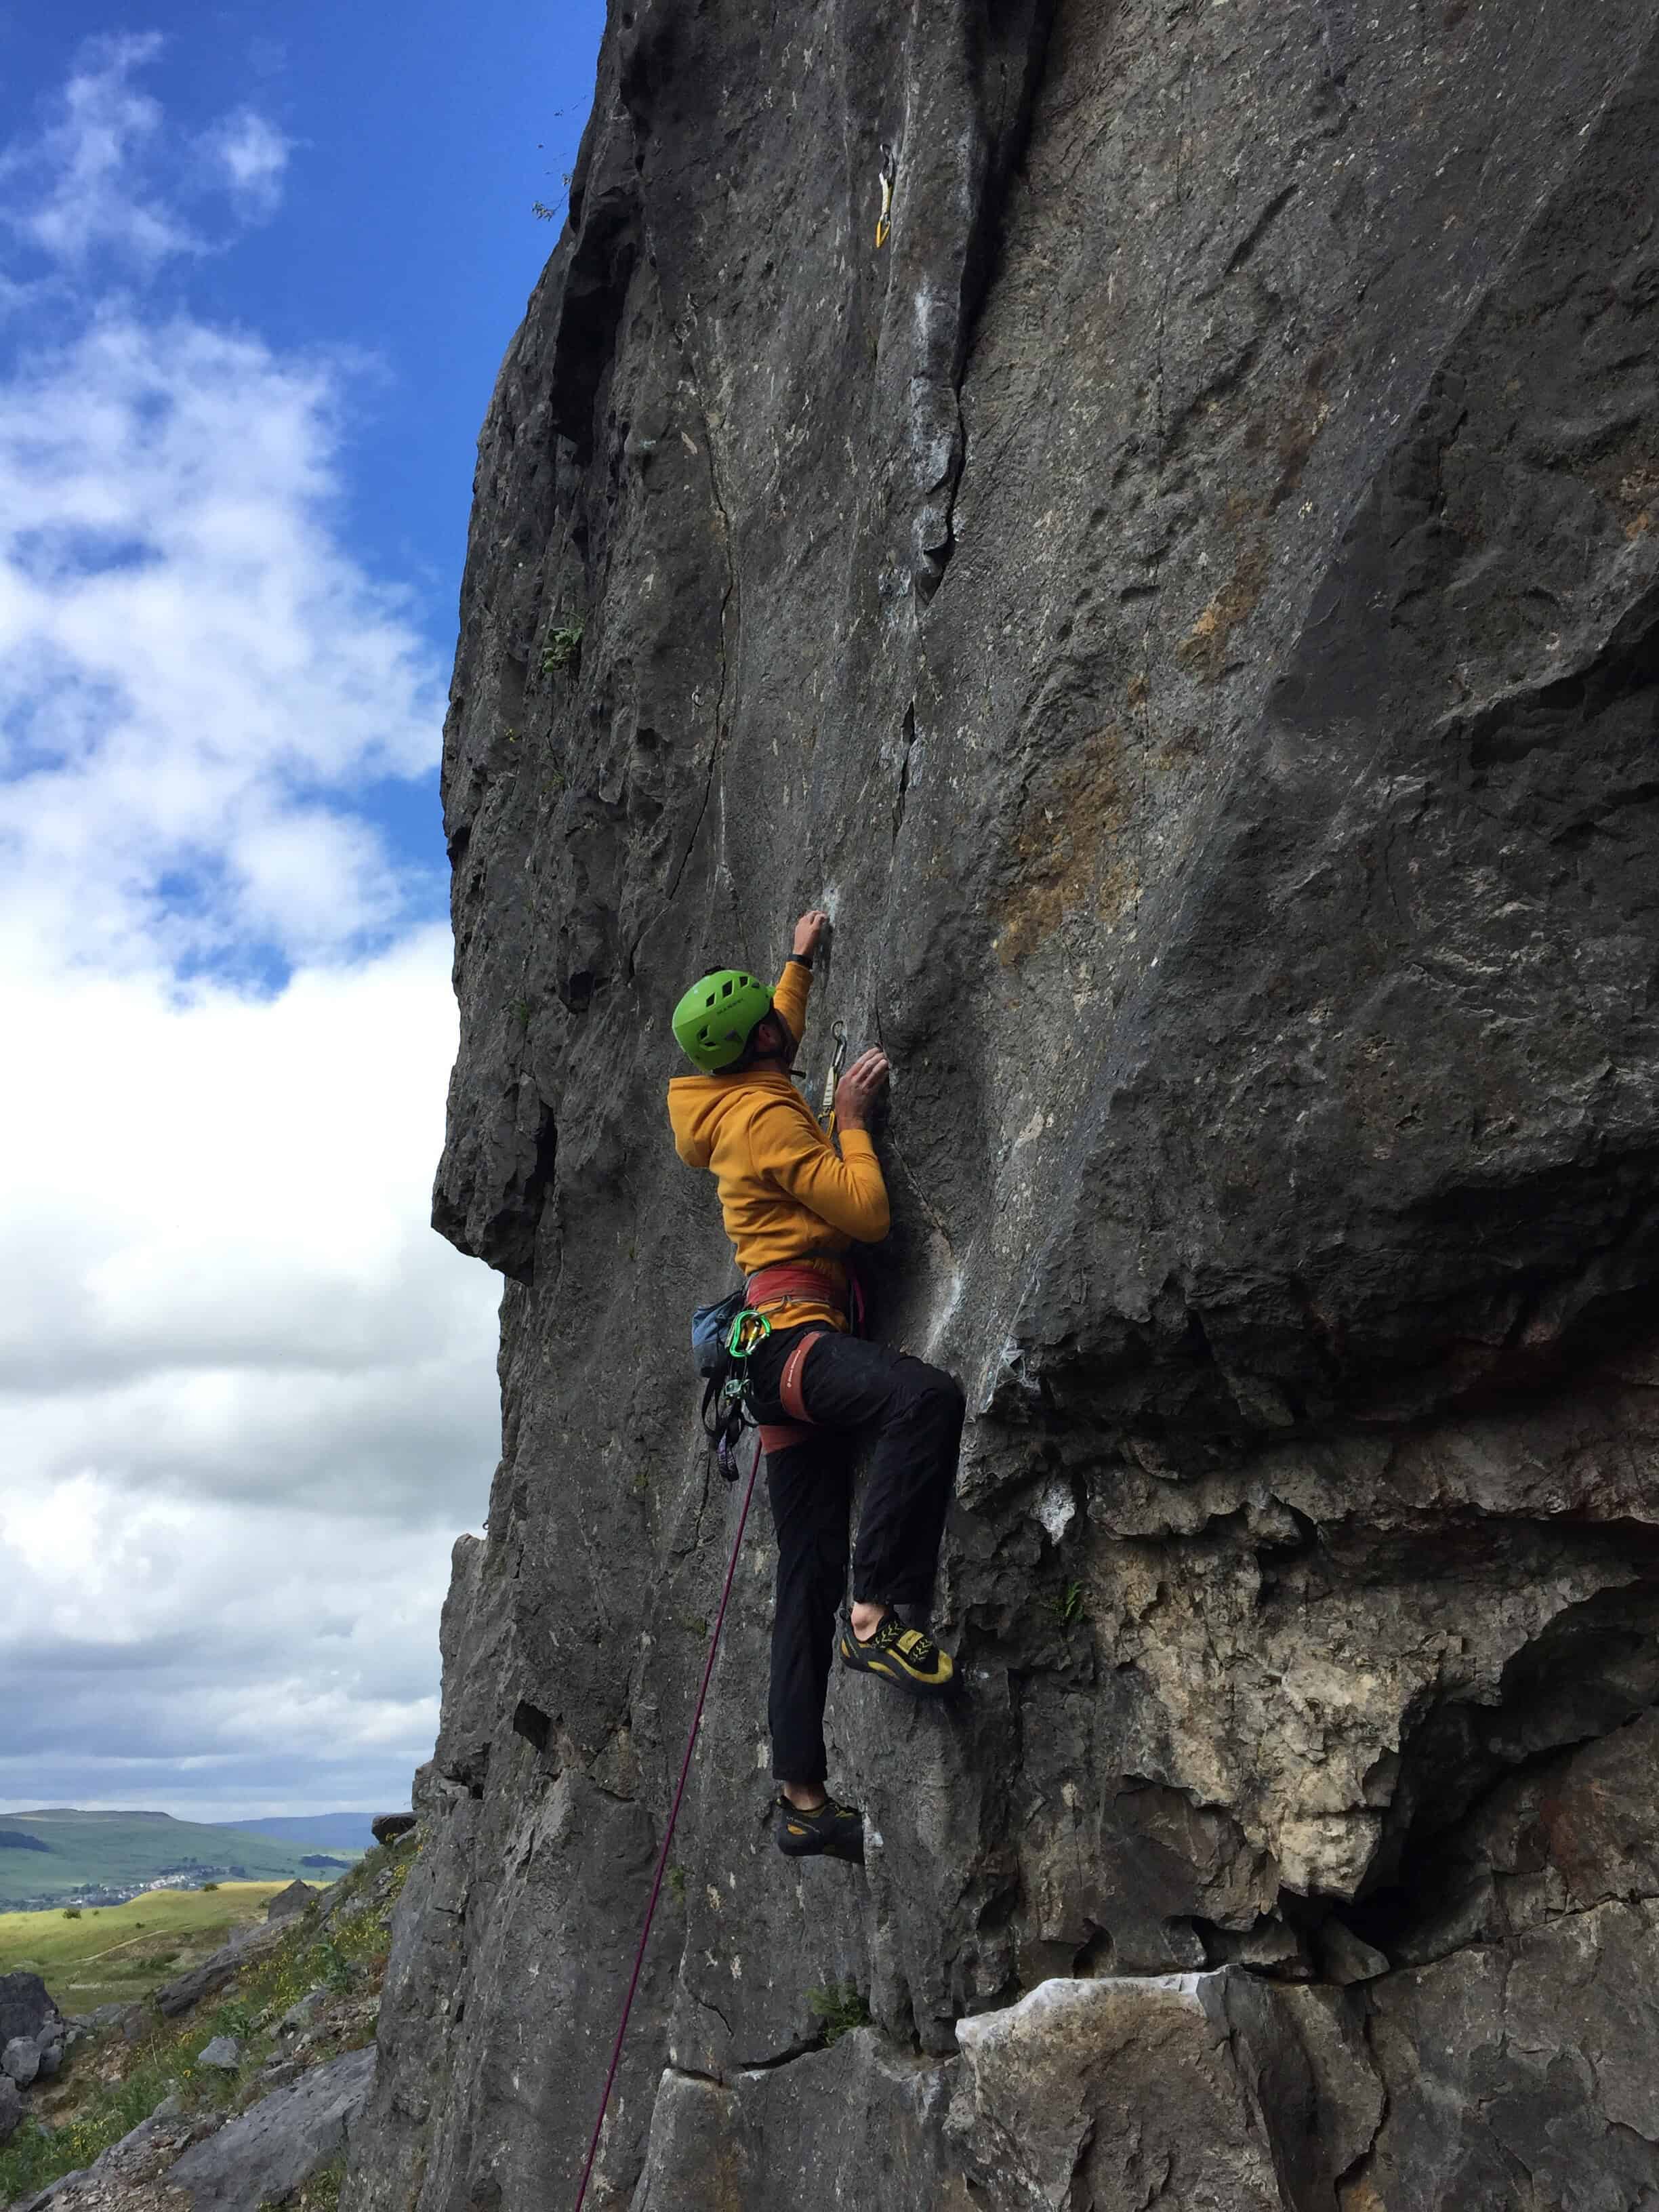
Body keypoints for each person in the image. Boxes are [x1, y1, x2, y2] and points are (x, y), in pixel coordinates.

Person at [667, 910, 965, 1866]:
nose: (780, 1026)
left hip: (766, 1364)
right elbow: (865, 1212)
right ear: (755, 1045)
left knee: (802, 1576)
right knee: (924, 1399)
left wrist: (797, 962)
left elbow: (774, 1030)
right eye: (771, 1020)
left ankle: (803, 1798)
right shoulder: (766, 1120)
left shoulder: (729, 1090)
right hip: (795, 1339)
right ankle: (877, 1615)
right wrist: (847, 1123)